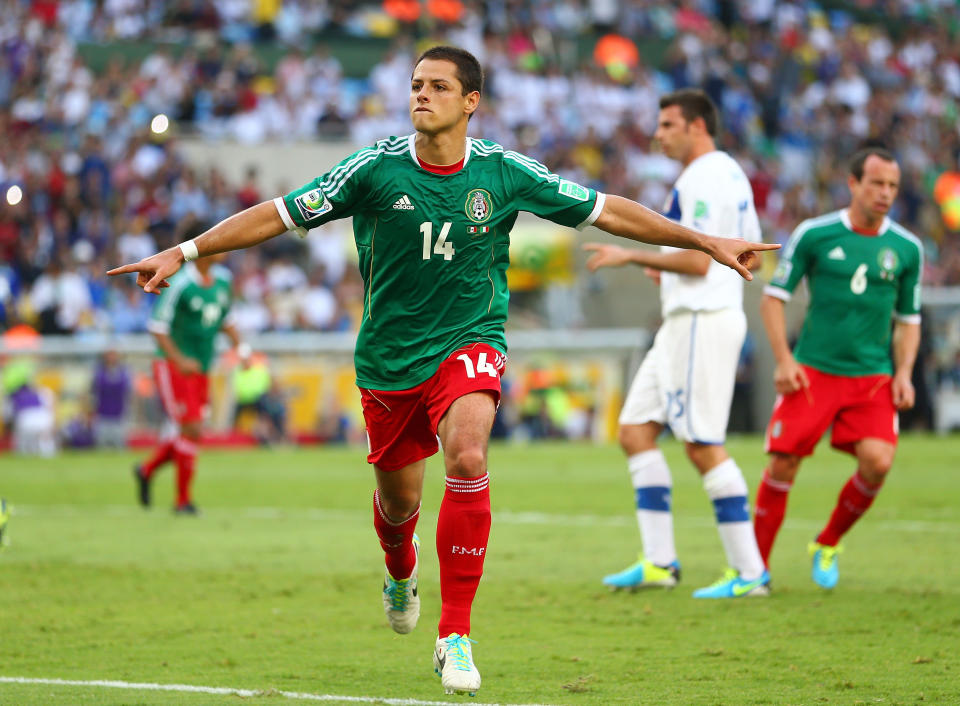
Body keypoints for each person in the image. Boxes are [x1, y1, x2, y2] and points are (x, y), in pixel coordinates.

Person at [108, 46, 778, 696]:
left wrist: (703, 240)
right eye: (415, 84)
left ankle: (455, 635)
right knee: (398, 511)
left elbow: (608, 209)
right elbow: (279, 215)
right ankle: (401, 573)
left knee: (466, 455)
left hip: (469, 340)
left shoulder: (505, 172)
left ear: (471, 101)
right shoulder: (371, 170)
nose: (420, 95)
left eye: (436, 86)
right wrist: (185, 249)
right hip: (389, 360)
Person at [584, 89, 770, 599]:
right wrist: (664, 270)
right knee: (635, 430)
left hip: (701, 320)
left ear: (697, 126)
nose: (658, 134)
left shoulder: (706, 176)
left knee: (702, 443)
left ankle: (750, 572)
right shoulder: (730, 173)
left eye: (668, 125)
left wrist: (633, 258)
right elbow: (748, 254)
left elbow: (696, 260)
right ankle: (660, 562)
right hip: (685, 319)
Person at [752, 146, 922, 589]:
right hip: (813, 372)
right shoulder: (815, 234)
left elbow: (909, 322)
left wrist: (903, 373)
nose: (885, 193)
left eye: (892, 186)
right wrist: (784, 360)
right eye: (877, 183)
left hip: (871, 378)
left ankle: (827, 542)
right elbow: (773, 299)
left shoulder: (907, 248)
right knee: (783, 464)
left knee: (878, 462)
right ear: (853, 183)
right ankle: (756, 571)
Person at [132, 233, 244, 515]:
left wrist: (242, 349)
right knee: (191, 428)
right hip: (172, 366)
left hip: (203, 366)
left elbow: (225, 319)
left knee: (192, 430)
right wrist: (179, 359)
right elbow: (157, 326)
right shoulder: (180, 283)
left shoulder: (223, 280)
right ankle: (183, 501)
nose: (224, 249)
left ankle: (146, 470)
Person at [91, 349, 132, 448]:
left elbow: (128, 392)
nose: (111, 358)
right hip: (103, 414)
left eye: (113, 355)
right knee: (102, 445)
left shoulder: (124, 372)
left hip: (118, 414)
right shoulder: (99, 372)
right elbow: (93, 391)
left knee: (119, 445)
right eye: (109, 355)